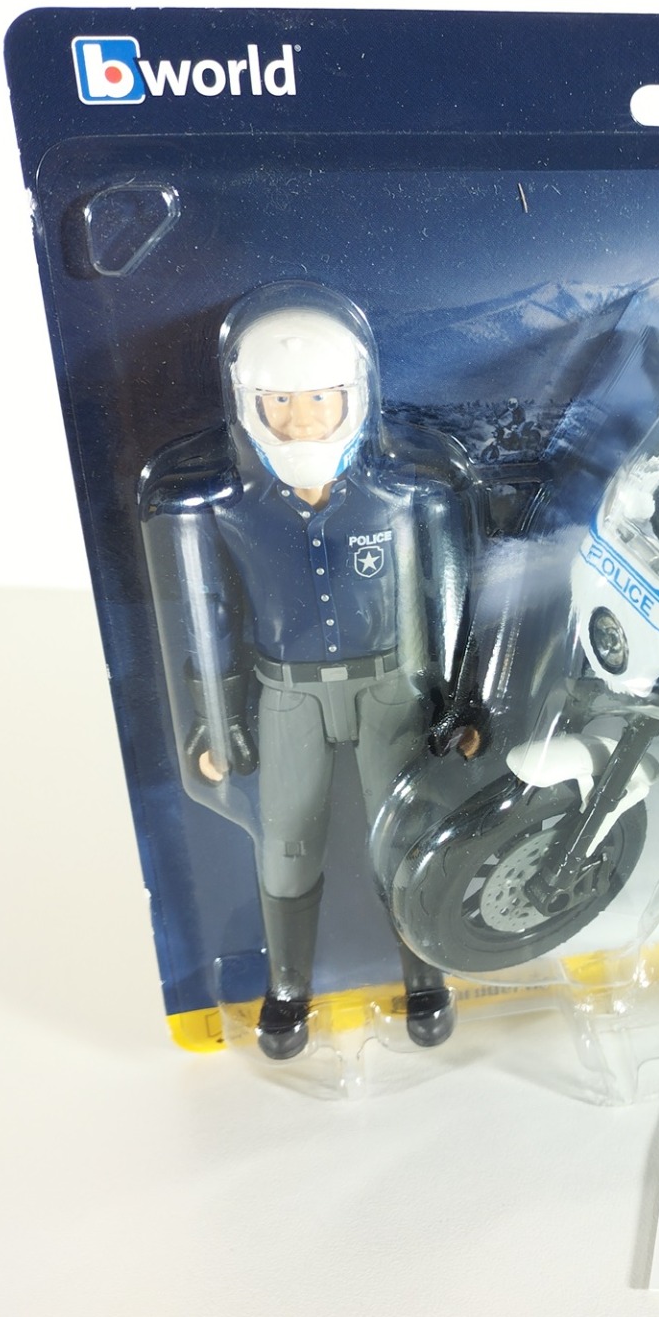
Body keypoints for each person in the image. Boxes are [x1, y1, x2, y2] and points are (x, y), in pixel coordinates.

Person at [141, 284, 483, 1059]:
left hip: (391, 688)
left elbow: (449, 603)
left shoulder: (401, 497)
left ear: (351, 397)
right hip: (286, 695)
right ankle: (288, 988)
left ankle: (425, 974)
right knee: (286, 841)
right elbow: (210, 623)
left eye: (318, 399)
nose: (301, 421)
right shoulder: (231, 508)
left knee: (405, 832)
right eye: (281, 403)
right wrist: (215, 723)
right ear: (251, 405)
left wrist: (460, 704)